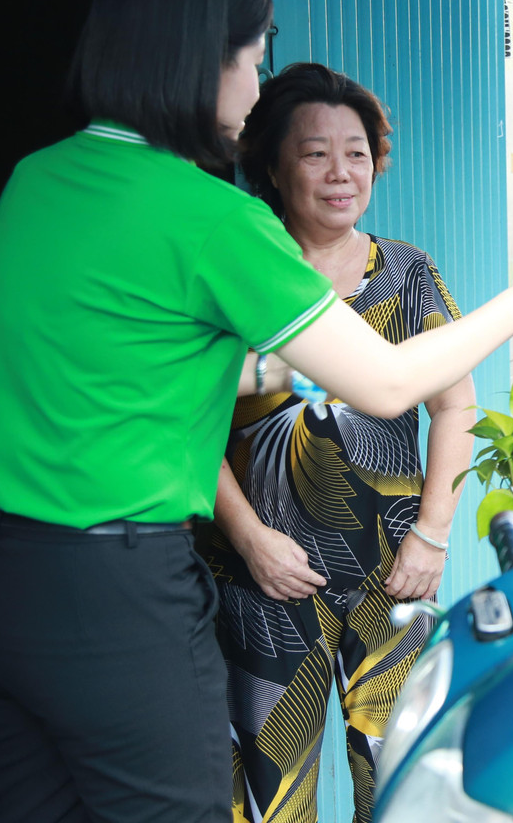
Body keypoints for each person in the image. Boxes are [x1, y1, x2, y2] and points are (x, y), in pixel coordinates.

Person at [0, 0, 513, 823]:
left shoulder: (37, 180)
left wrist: (257, 369)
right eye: (252, 53)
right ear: (199, 56)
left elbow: (122, 356)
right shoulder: (211, 217)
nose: (254, 83)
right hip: (113, 598)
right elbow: (390, 385)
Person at [197, 63, 470, 823]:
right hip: (264, 579)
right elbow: (188, 423)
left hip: (395, 571)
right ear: (274, 167)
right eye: (316, 153)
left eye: (357, 152)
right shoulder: (240, 272)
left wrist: (433, 537)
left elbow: (458, 408)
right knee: (270, 792)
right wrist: (250, 540)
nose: (341, 173)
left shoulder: (407, 274)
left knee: (407, 781)